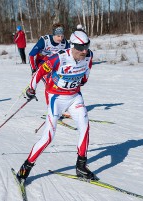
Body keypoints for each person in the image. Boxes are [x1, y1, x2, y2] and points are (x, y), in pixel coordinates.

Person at [16, 31, 95, 183]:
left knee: (85, 128)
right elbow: (39, 72)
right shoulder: (59, 58)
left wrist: (78, 79)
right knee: (49, 137)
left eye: (86, 46)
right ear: (72, 46)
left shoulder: (89, 56)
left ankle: (81, 166)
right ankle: (25, 169)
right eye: (80, 47)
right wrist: (31, 89)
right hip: (56, 98)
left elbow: (85, 76)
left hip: (74, 97)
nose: (84, 51)